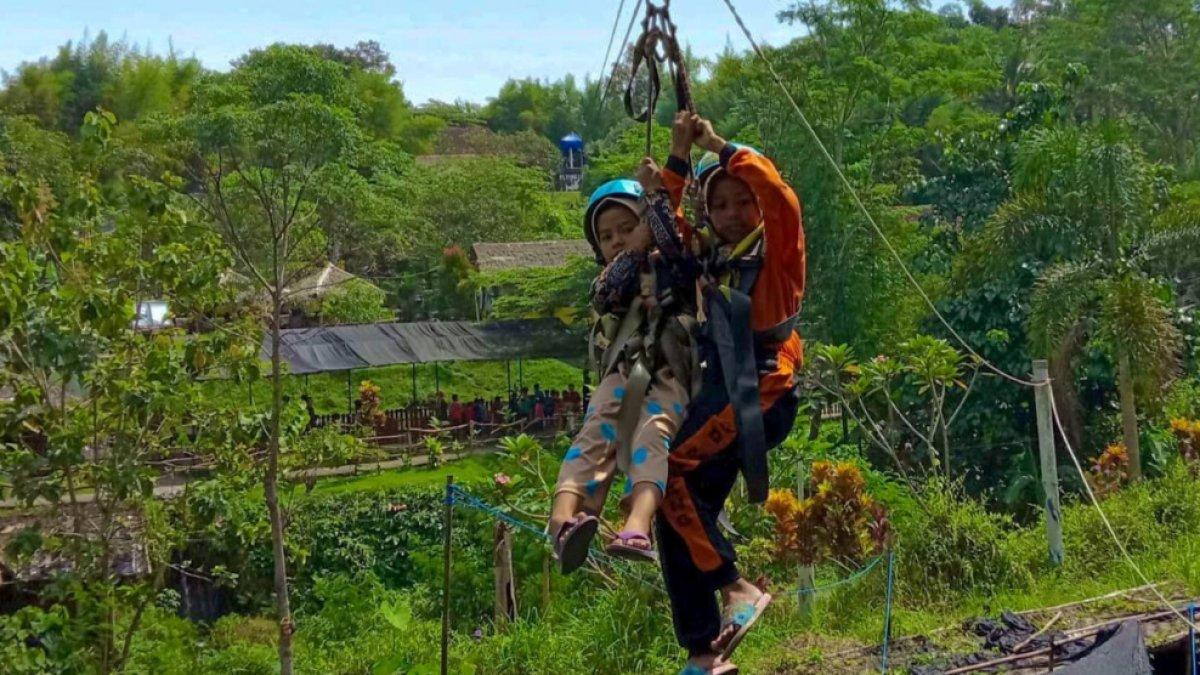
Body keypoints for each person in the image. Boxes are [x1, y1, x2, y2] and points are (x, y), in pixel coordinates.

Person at [655, 112, 807, 673]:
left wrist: (719, 147)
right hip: (723, 390)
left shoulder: (778, 250)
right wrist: (677, 158)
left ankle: (737, 587)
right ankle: (702, 649)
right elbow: (666, 229)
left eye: (743, 202)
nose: (732, 213)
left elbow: (780, 198)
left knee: (667, 468)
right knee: (671, 506)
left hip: (762, 389)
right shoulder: (710, 257)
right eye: (719, 205)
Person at [548, 161, 699, 571]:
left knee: (653, 433)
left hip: (668, 370)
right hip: (623, 369)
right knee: (596, 433)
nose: (617, 240)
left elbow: (672, 240)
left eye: (625, 229)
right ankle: (563, 518)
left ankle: (637, 523)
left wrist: (655, 196)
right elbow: (609, 290)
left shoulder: (671, 264)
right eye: (607, 236)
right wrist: (636, 242)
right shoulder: (607, 282)